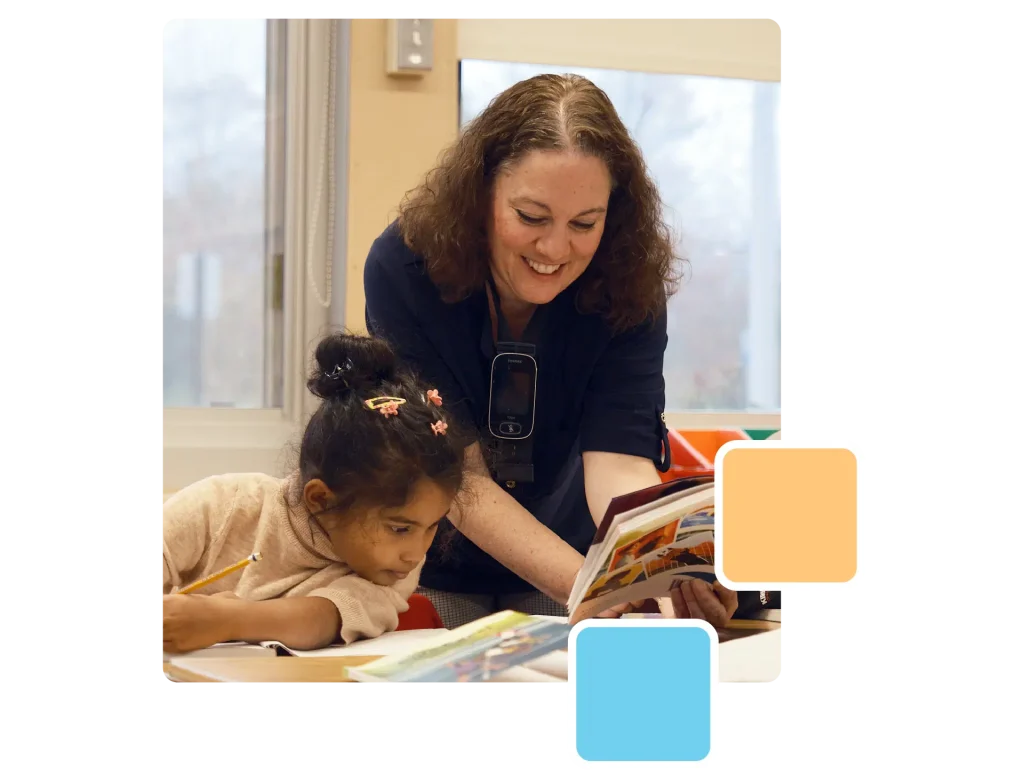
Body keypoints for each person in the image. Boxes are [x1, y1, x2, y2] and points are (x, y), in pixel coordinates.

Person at [363, 72, 744, 628]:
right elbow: (461, 481)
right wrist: (597, 587)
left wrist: (661, 571)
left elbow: (619, 461)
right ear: (480, 195)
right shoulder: (405, 268)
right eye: (531, 217)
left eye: (584, 223)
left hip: (565, 545)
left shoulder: (627, 281)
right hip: (427, 554)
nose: (554, 248)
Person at [160, 333, 474, 654]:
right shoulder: (223, 504)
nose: (416, 554)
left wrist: (227, 619)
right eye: (400, 528)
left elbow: (320, 620)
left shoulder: (393, 573)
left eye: (433, 526)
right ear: (321, 500)